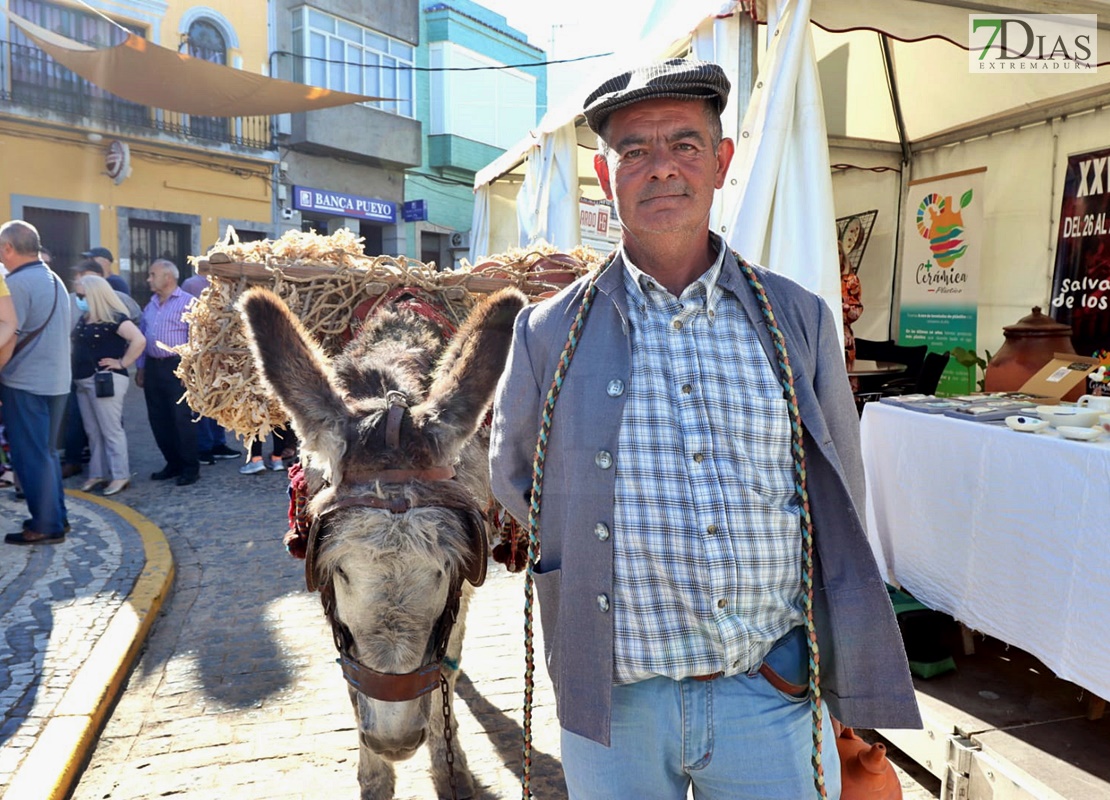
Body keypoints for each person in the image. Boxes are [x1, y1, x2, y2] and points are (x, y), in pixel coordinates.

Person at [489, 59, 920, 799]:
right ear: (605, 172)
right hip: (615, 705)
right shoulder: (544, 334)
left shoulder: (800, 321)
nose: (662, 169)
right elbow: (515, 475)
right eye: (636, 150)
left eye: (685, 145)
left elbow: (838, 485)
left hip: (771, 694)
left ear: (721, 162)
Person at [0, 220, 71, 544]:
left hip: (25, 381)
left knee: (31, 457)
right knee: (47, 454)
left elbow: (8, 337)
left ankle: (45, 525)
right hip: (57, 380)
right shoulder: (54, 278)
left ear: (9, 248)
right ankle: (57, 517)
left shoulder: (15, 284)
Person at [71, 275, 146, 496]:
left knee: (111, 430)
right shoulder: (84, 319)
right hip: (84, 380)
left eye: (81, 295)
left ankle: (120, 475)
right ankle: (98, 473)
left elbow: (139, 340)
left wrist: (122, 362)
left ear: (94, 294)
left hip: (105, 380)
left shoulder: (115, 318)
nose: (79, 298)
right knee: (93, 431)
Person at [136, 259, 200, 486]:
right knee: (158, 419)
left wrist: (191, 371)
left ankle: (190, 467)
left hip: (177, 366)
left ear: (168, 277)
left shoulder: (188, 303)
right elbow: (143, 336)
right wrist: (141, 367)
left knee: (181, 418)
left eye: (152, 274)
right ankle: (172, 463)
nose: (148, 279)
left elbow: (197, 341)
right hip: (154, 366)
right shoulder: (151, 303)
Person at [179, 272, 240, 464]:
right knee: (203, 400)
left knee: (216, 397)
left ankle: (217, 444)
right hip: (202, 351)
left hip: (219, 349)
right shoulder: (192, 284)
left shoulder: (227, 282)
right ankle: (205, 446)